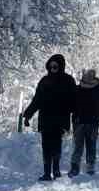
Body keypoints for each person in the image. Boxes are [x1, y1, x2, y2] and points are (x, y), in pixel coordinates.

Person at [21, 53, 75, 181]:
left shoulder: (68, 81)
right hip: (45, 119)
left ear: (60, 66)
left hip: (60, 119)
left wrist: (77, 115)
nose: (53, 68)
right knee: (46, 146)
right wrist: (28, 115)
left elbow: (74, 100)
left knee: (56, 145)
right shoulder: (44, 81)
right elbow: (37, 100)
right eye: (51, 66)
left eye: (55, 66)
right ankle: (46, 173)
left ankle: (56, 171)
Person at [69, 68, 99, 176]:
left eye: (90, 76)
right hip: (80, 121)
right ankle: (76, 166)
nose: (87, 78)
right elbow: (69, 104)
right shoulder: (77, 89)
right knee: (79, 145)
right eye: (86, 76)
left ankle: (89, 166)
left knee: (90, 145)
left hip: (92, 122)